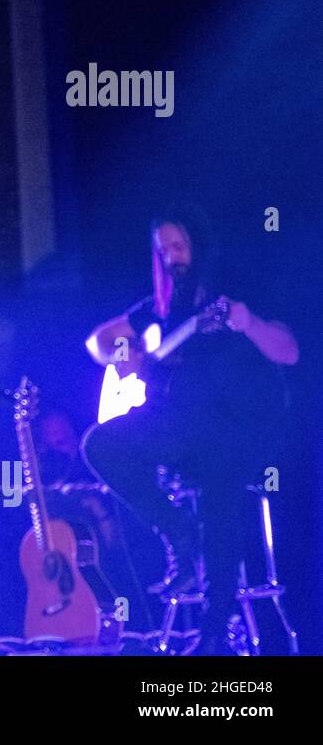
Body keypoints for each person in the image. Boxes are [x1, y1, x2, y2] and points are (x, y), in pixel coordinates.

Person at [81, 206, 297, 654]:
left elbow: (288, 352)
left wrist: (248, 323)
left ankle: (214, 632)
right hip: (176, 426)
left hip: (232, 429)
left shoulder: (233, 294)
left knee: (221, 495)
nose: (172, 258)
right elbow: (98, 341)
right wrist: (127, 352)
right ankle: (178, 531)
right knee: (101, 444)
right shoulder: (158, 311)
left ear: (197, 247)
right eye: (163, 251)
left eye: (178, 247)